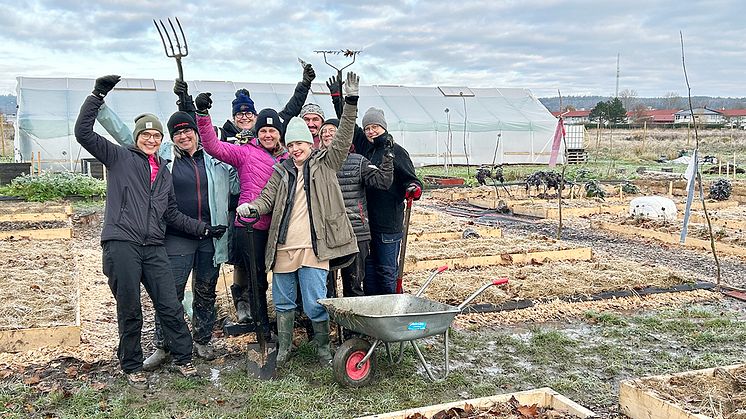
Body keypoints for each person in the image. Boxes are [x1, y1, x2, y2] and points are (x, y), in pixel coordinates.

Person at [75, 75, 226, 389]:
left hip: (154, 245)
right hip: (122, 243)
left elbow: (171, 213)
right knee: (129, 308)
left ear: (161, 140)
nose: (151, 139)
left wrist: (204, 229)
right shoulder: (119, 157)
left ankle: (184, 358)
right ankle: (131, 365)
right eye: (146, 134)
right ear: (137, 137)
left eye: (156, 135)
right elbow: (83, 133)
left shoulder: (164, 173)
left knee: (169, 304)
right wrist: (98, 94)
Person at [238, 71, 360, 367]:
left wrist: (351, 102)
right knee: (283, 301)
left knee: (315, 301)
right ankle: (284, 348)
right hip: (283, 247)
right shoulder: (281, 171)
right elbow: (266, 198)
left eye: (299, 144)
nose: (294, 149)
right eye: (290, 145)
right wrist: (253, 208)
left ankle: (321, 349)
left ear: (309, 143)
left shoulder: (326, 163)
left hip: (314, 248)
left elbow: (343, 136)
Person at [214, 64, 315, 323]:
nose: (244, 117)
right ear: (235, 117)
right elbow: (214, 147)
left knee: (277, 266)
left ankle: (291, 311)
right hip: (240, 208)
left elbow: (290, 111)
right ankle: (245, 305)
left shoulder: (284, 152)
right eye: (240, 114)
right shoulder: (231, 136)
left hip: (275, 215)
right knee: (244, 265)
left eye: (249, 113)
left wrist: (304, 85)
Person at [196, 98, 289, 340]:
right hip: (251, 226)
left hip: (280, 225)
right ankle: (262, 327)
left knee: (282, 275)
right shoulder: (245, 152)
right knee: (256, 278)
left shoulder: (288, 158)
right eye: (264, 131)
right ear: (257, 132)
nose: (268, 135)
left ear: (280, 133)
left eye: (273, 130)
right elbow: (213, 147)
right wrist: (203, 116)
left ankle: (286, 319)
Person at [318, 117, 394, 298]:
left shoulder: (358, 161)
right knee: (326, 287)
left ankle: (353, 326)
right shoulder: (316, 163)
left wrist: (388, 157)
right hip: (326, 233)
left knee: (354, 285)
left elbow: (382, 182)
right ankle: (329, 323)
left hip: (356, 232)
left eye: (332, 131)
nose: (327, 134)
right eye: (324, 132)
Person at [355, 107, 423, 295]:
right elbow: (349, 127)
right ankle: (374, 311)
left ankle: (392, 311)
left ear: (384, 127)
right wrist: (340, 100)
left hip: (388, 224)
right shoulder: (366, 150)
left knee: (386, 272)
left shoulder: (396, 152)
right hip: (367, 224)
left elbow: (412, 179)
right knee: (369, 272)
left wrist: (414, 189)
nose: (371, 131)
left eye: (375, 127)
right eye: (367, 128)